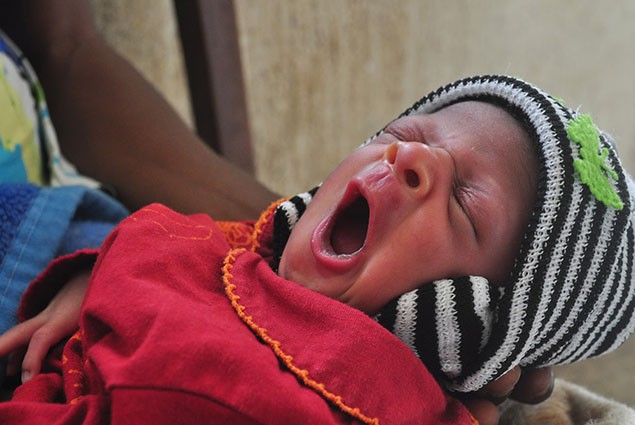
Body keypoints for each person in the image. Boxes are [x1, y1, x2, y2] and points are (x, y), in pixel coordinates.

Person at [0, 1, 570, 423]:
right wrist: (98, 270)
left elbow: (66, 47)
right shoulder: (254, 257)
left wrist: (118, 278)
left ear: (481, 327)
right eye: (405, 131)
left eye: (466, 205)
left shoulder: (299, 388)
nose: (410, 155)